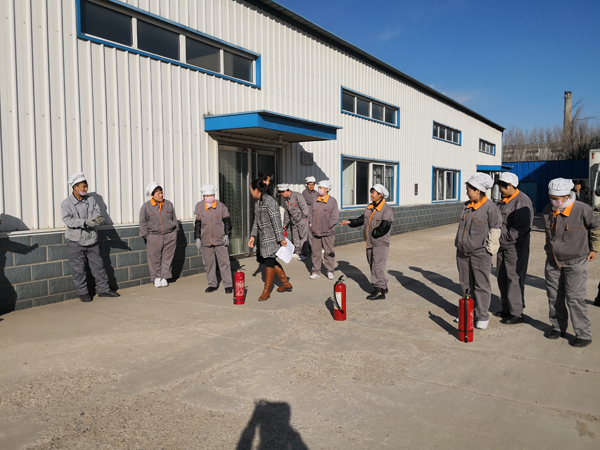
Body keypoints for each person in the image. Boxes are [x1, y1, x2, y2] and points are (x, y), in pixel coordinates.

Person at [542, 178, 600, 347]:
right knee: (554, 296)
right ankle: (557, 327)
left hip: (576, 261)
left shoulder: (582, 209)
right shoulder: (548, 210)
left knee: (575, 298)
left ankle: (583, 334)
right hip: (553, 261)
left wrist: (594, 248)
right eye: (551, 198)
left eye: (557, 198)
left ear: (567, 195)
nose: (554, 201)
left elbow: (596, 227)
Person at [61, 172, 119, 302]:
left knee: (98, 266)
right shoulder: (66, 203)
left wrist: (96, 220)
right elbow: (68, 220)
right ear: (75, 187)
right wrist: (85, 222)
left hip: (92, 239)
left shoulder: (91, 200)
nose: (86, 189)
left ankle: (104, 290)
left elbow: (97, 213)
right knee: (78, 269)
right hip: (75, 241)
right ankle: (82, 292)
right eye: (84, 187)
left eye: (86, 186)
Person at [455, 173, 501, 330]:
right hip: (462, 252)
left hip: (480, 253)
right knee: (465, 284)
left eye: (469, 189)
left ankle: (482, 316)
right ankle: (468, 312)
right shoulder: (467, 206)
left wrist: (489, 251)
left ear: (478, 190)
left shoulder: (490, 208)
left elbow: (495, 230)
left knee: (481, 285)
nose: (467, 192)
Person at [340, 184, 394, 299]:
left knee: (377, 266)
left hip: (380, 242)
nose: (371, 195)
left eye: (373, 193)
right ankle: (383, 286)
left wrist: (375, 233)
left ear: (380, 195)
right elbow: (362, 219)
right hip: (369, 242)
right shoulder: (370, 207)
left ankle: (379, 291)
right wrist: (350, 222)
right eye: (371, 192)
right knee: (373, 264)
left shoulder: (386, 209)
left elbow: (386, 225)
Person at [494, 173, 534, 325]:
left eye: (502, 188)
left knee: (514, 278)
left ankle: (517, 313)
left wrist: (505, 239)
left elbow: (521, 227)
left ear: (510, 186)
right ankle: (506, 308)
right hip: (502, 246)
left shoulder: (522, 201)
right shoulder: (504, 201)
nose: (500, 191)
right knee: (502, 277)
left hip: (515, 247)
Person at [248, 179, 292, 301]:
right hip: (263, 238)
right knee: (270, 260)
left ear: (256, 190)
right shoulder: (259, 202)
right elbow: (256, 221)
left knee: (269, 261)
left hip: (272, 237)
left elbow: (276, 221)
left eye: (251, 190)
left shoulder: (270, 201)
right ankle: (285, 283)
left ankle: (266, 291)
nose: (251, 192)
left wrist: (281, 239)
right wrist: (253, 236)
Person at [194, 185, 233, 294]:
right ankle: (212, 284)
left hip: (220, 239)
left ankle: (228, 285)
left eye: (211, 195)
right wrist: (197, 237)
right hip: (205, 239)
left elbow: (227, 222)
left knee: (224, 262)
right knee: (209, 263)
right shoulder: (199, 206)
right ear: (203, 196)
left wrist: (227, 234)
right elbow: (198, 223)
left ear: (214, 195)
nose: (209, 197)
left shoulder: (221, 206)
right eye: (207, 195)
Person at [139, 182, 178, 288]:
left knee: (167, 257)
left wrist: (175, 232)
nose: (161, 195)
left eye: (161, 193)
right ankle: (156, 278)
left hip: (170, 235)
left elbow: (174, 219)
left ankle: (164, 277)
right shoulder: (146, 207)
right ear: (152, 195)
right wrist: (147, 236)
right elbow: (142, 223)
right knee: (154, 258)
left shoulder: (168, 204)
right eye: (158, 194)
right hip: (154, 236)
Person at [308, 180, 339, 280]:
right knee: (315, 253)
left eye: (322, 188)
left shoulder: (332, 201)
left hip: (328, 232)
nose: (320, 190)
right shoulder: (315, 200)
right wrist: (311, 223)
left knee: (328, 252)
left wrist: (328, 226)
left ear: (327, 189)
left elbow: (335, 216)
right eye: (319, 188)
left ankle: (330, 271)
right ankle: (316, 271)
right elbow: (310, 213)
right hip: (315, 231)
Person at [278, 183, 309, 260]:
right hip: (294, 222)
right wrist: (285, 224)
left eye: (282, 194)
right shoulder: (287, 200)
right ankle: (297, 252)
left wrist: (304, 218)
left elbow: (304, 207)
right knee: (295, 237)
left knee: (303, 238)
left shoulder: (297, 195)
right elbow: (287, 213)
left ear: (285, 191)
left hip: (301, 220)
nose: (282, 196)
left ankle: (304, 254)